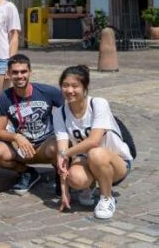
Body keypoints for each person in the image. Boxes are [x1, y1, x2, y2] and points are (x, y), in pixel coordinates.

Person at [54, 65, 133, 219]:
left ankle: (106, 198)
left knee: (95, 152)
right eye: (65, 85)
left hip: (116, 162)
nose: (69, 90)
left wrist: (66, 153)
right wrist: (65, 192)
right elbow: (62, 156)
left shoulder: (98, 104)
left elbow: (94, 141)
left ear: (85, 88)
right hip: (86, 160)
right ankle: (88, 186)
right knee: (75, 178)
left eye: (75, 86)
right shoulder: (60, 113)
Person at [0, 54, 64, 194]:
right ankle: (28, 173)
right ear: (9, 74)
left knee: (58, 146)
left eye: (23, 71)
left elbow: (70, 111)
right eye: (15, 72)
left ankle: (60, 174)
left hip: (46, 145)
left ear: (30, 72)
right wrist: (16, 137)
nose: (19, 76)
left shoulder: (47, 92)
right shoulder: (4, 98)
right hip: (22, 148)